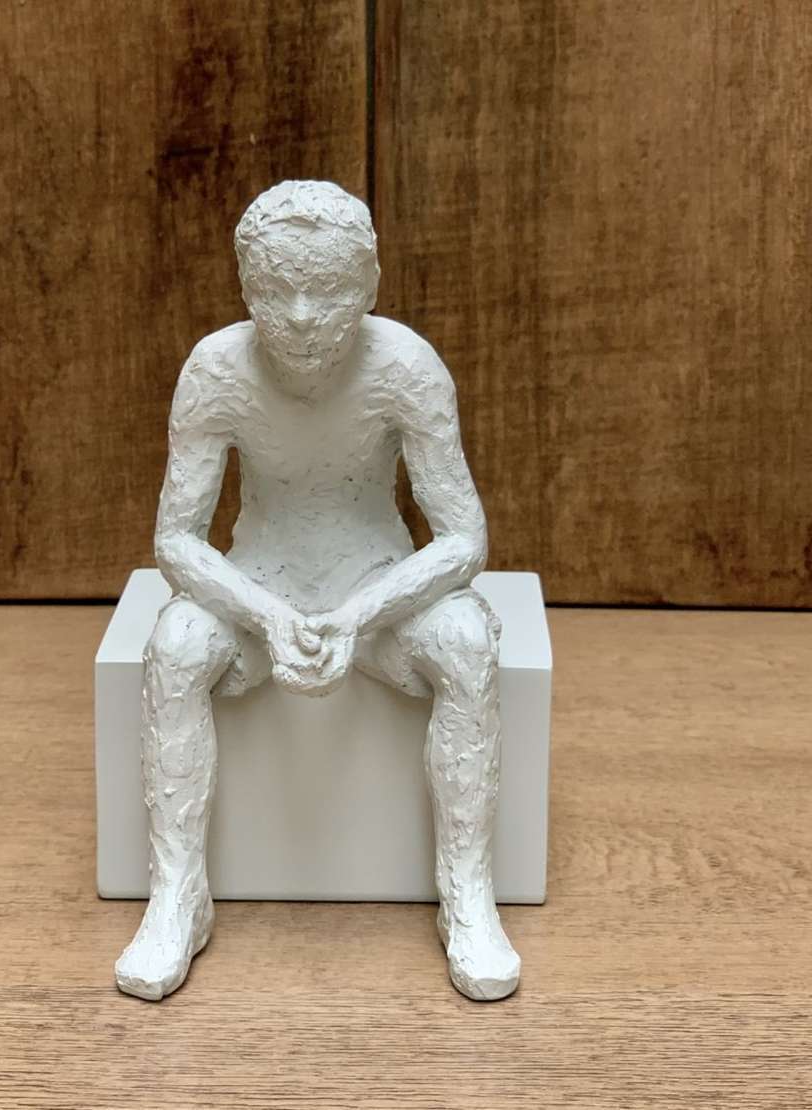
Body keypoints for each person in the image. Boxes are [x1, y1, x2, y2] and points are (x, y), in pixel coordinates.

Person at [114, 180, 520, 1002]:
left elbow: (463, 537)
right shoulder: (216, 370)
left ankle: (468, 896)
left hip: (373, 579)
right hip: (261, 578)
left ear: (368, 287)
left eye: (328, 290)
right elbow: (176, 538)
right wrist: (263, 613)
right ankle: (177, 897)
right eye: (276, 290)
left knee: (467, 642)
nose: (301, 317)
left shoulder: (405, 367)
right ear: (245, 287)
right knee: (176, 645)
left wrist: (360, 613)